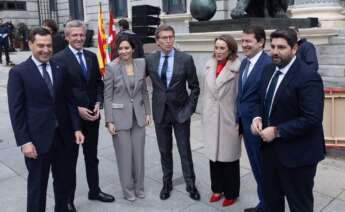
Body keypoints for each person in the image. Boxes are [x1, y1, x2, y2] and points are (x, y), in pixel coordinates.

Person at [7, 27, 84, 212]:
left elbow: (69, 102)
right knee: (37, 187)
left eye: (49, 45)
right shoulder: (19, 73)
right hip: (36, 141)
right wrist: (24, 141)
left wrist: (77, 128)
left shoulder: (60, 68)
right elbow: (16, 111)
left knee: (63, 182)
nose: (46, 50)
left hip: (63, 138)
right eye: (40, 45)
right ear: (30, 44)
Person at [251, 28, 325, 212]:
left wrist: (276, 131)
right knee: (272, 201)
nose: (275, 51)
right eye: (273, 46)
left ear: (294, 49)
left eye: (281, 47)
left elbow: (312, 118)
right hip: (270, 153)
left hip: (298, 157)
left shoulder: (308, 76)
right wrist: (257, 117)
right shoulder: (268, 69)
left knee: (299, 205)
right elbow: (262, 100)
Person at [53, 20, 114, 212]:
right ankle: (69, 200)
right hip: (71, 120)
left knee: (91, 157)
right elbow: (58, 93)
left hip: (92, 117)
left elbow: (98, 84)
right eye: (75, 35)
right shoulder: (58, 59)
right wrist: (77, 108)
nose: (79, 38)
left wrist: (98, 102)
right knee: (69, 161)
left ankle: (94, 191)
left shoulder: (91, 56)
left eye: (81, 34)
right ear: (67, 37)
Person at [145, 24, 201, 201]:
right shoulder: (150, 60)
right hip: (160, 112)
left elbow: (195, 88)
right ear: (157, 41)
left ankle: (190, 183)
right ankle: (167, 183)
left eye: (171, 37)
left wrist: (190, 109)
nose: (168, 41)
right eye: (164, 38)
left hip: (181, 112)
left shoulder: (185, 59)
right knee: (164, 151)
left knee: (185, 150)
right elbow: (136, 81)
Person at [104, 35, 151, 201]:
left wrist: (147, 113)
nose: (123, 51)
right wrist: (109, 121)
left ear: (133, 49)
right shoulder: (111, 67)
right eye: (121, 48)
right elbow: (107, 96)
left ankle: (139, 187)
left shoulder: (141, 63)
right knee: (125, 156)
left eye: (127, 48)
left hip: (138, 116)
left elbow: (144, 91)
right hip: (119, 118)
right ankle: (128, 189)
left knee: (138, 155)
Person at [202, 35, 241, 207]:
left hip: (228, 117)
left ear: (230, 50)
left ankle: (232, 192)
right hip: (211, 116)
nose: (218, 51)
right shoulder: (209, 64)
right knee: (214, 156)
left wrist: (239, 120)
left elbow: (241, 96)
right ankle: (217, 189)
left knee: (229, 158)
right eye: (216, 47)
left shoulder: (238, 68)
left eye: (222, 48)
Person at [237, 25, 271, 212]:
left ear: (261, 42)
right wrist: (238, 120)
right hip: (245, 124)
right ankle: (264, 203)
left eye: (248, 41)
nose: (244, 45)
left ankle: (268, 206)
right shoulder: (244, 62)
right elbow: (241, 95)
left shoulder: (267, 64)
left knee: (263, 170)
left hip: (259, 127)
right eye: (242, 41)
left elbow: (266, 98)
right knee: (257, 169)